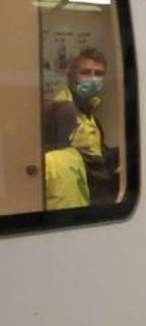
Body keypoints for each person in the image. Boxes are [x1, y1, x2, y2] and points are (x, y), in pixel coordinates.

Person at [43, 47, 118, 209]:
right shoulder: (62, 112)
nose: (92, 79)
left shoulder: (89, 110)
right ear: (71, 76)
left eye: (98, 74)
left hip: (97, 193)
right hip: (79, 196)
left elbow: (95, 153)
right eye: (85, 72)